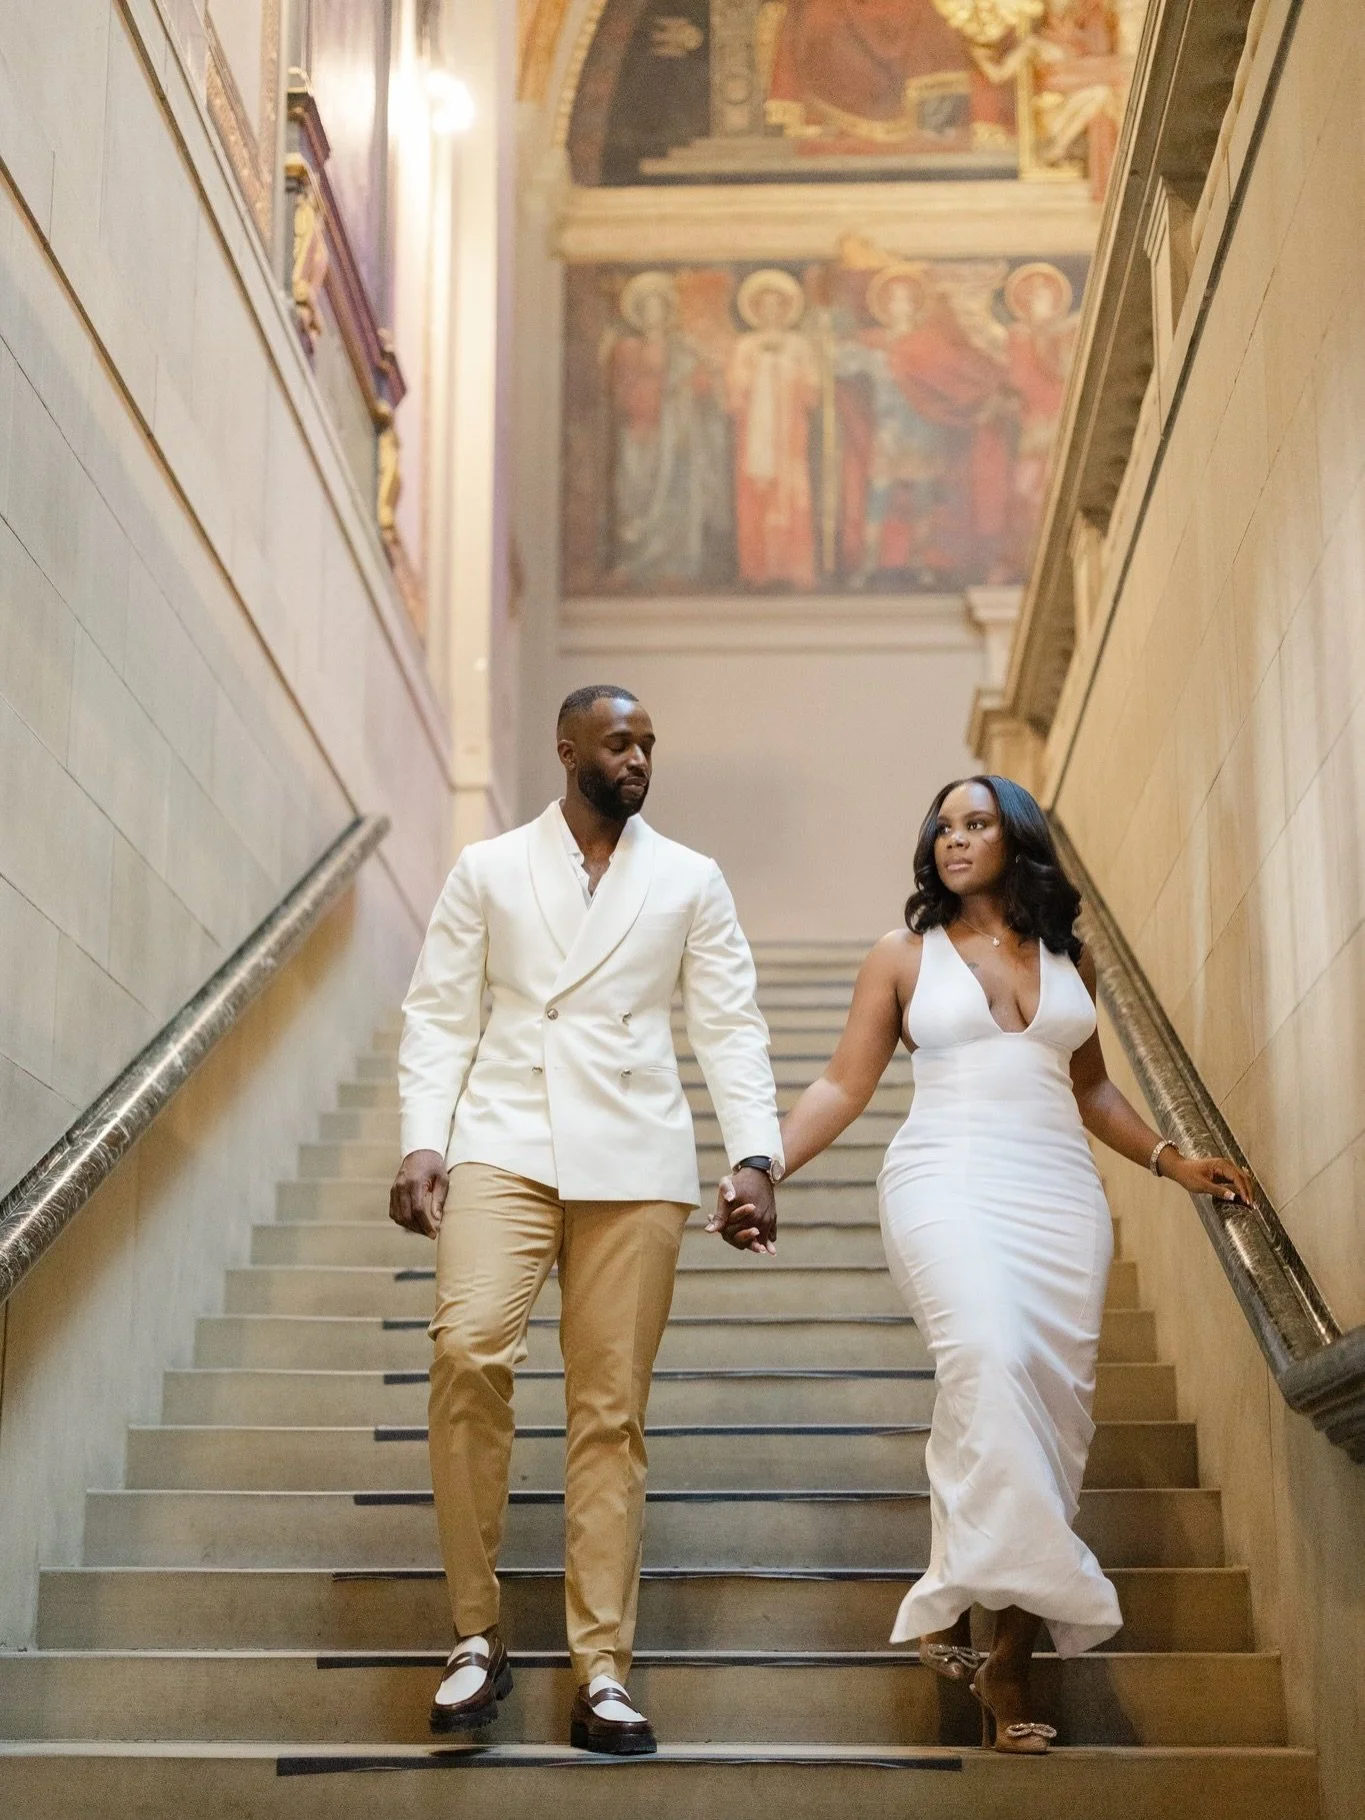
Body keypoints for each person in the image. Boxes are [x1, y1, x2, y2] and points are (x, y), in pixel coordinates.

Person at [713, 774, 1252, 1752]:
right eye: (943, 826)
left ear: (1019, 839)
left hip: (1059, 1196)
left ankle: (1007, 1648)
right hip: (944, 1179)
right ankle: (980, 1615)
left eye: (977, 823)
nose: (954, 839)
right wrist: (761, 1162)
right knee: (990, 1360)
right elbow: (844, 1079)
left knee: (1050, 1404)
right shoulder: (903, 954)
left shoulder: (1070, 955)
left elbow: (1089, 1090)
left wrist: (1173, 1160)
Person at [390, 685, 783, 1756]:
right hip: (504, 1138)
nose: (641, 756)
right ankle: (478, 1633)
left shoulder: (689, 878)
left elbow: (729, 1025)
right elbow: (437, 1011)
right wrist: (423, 1137)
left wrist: (754, 1154)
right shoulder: (488, 867)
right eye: (621, 740)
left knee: (609, 1411)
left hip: (636, 1157)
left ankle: (601, 1666)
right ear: (567, 749)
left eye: (651, 740)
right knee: (468, 1352)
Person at [725, 269, 821, 588]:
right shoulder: (745, 345)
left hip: (790, 436)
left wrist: (784, 368)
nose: (770, 311)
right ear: (755, 310)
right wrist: (759, 369)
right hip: (755, 435)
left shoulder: (798, 344)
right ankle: (757, 569)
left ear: (785, 308)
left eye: (776, 305)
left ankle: (793, 568)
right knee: (756, 494)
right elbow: (734, 393)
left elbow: (812, 391)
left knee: (792, 495)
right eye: (763, 305)